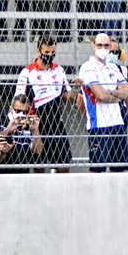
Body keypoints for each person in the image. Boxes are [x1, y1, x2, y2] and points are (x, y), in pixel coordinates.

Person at [15, 36, 75, 172]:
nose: (49, 55)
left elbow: (68, 96)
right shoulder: (27, 72)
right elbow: (18, 101)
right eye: (46, 52)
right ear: (38, 51)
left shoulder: (59, 70)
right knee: (38, 168)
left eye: (52, 52)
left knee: (64, 166)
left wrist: (76, 88)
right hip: (36, 124)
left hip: (56, 122)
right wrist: (26, 121)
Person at [78, 33, 128, 172]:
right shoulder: (87, 67)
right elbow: (100, 95)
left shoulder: (113, 67)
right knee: (97, 170)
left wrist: (109, 94)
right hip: (99, 124)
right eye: (100, 45)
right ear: (93, 46)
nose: (103, 48)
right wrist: (117, 95)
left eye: (106, 45)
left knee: (118, 169)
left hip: (118, 122)